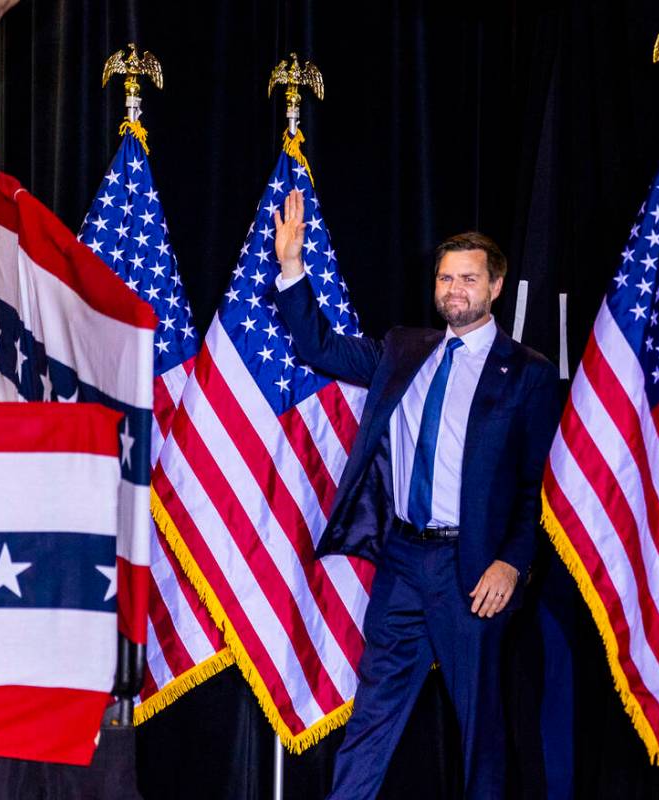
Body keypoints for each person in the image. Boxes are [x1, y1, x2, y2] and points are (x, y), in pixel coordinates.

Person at [272, 189, 559, 799]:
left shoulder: (527, 370)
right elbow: (318, 347)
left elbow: (537, 483)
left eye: (468, 279)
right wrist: (292, 267)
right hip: (403, 561)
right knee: (372, 717)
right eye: (445, 277)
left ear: (496, 287)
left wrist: (512, 561)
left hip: (474, 570)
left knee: (480, 730)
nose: (454, 289)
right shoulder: (404, 349)